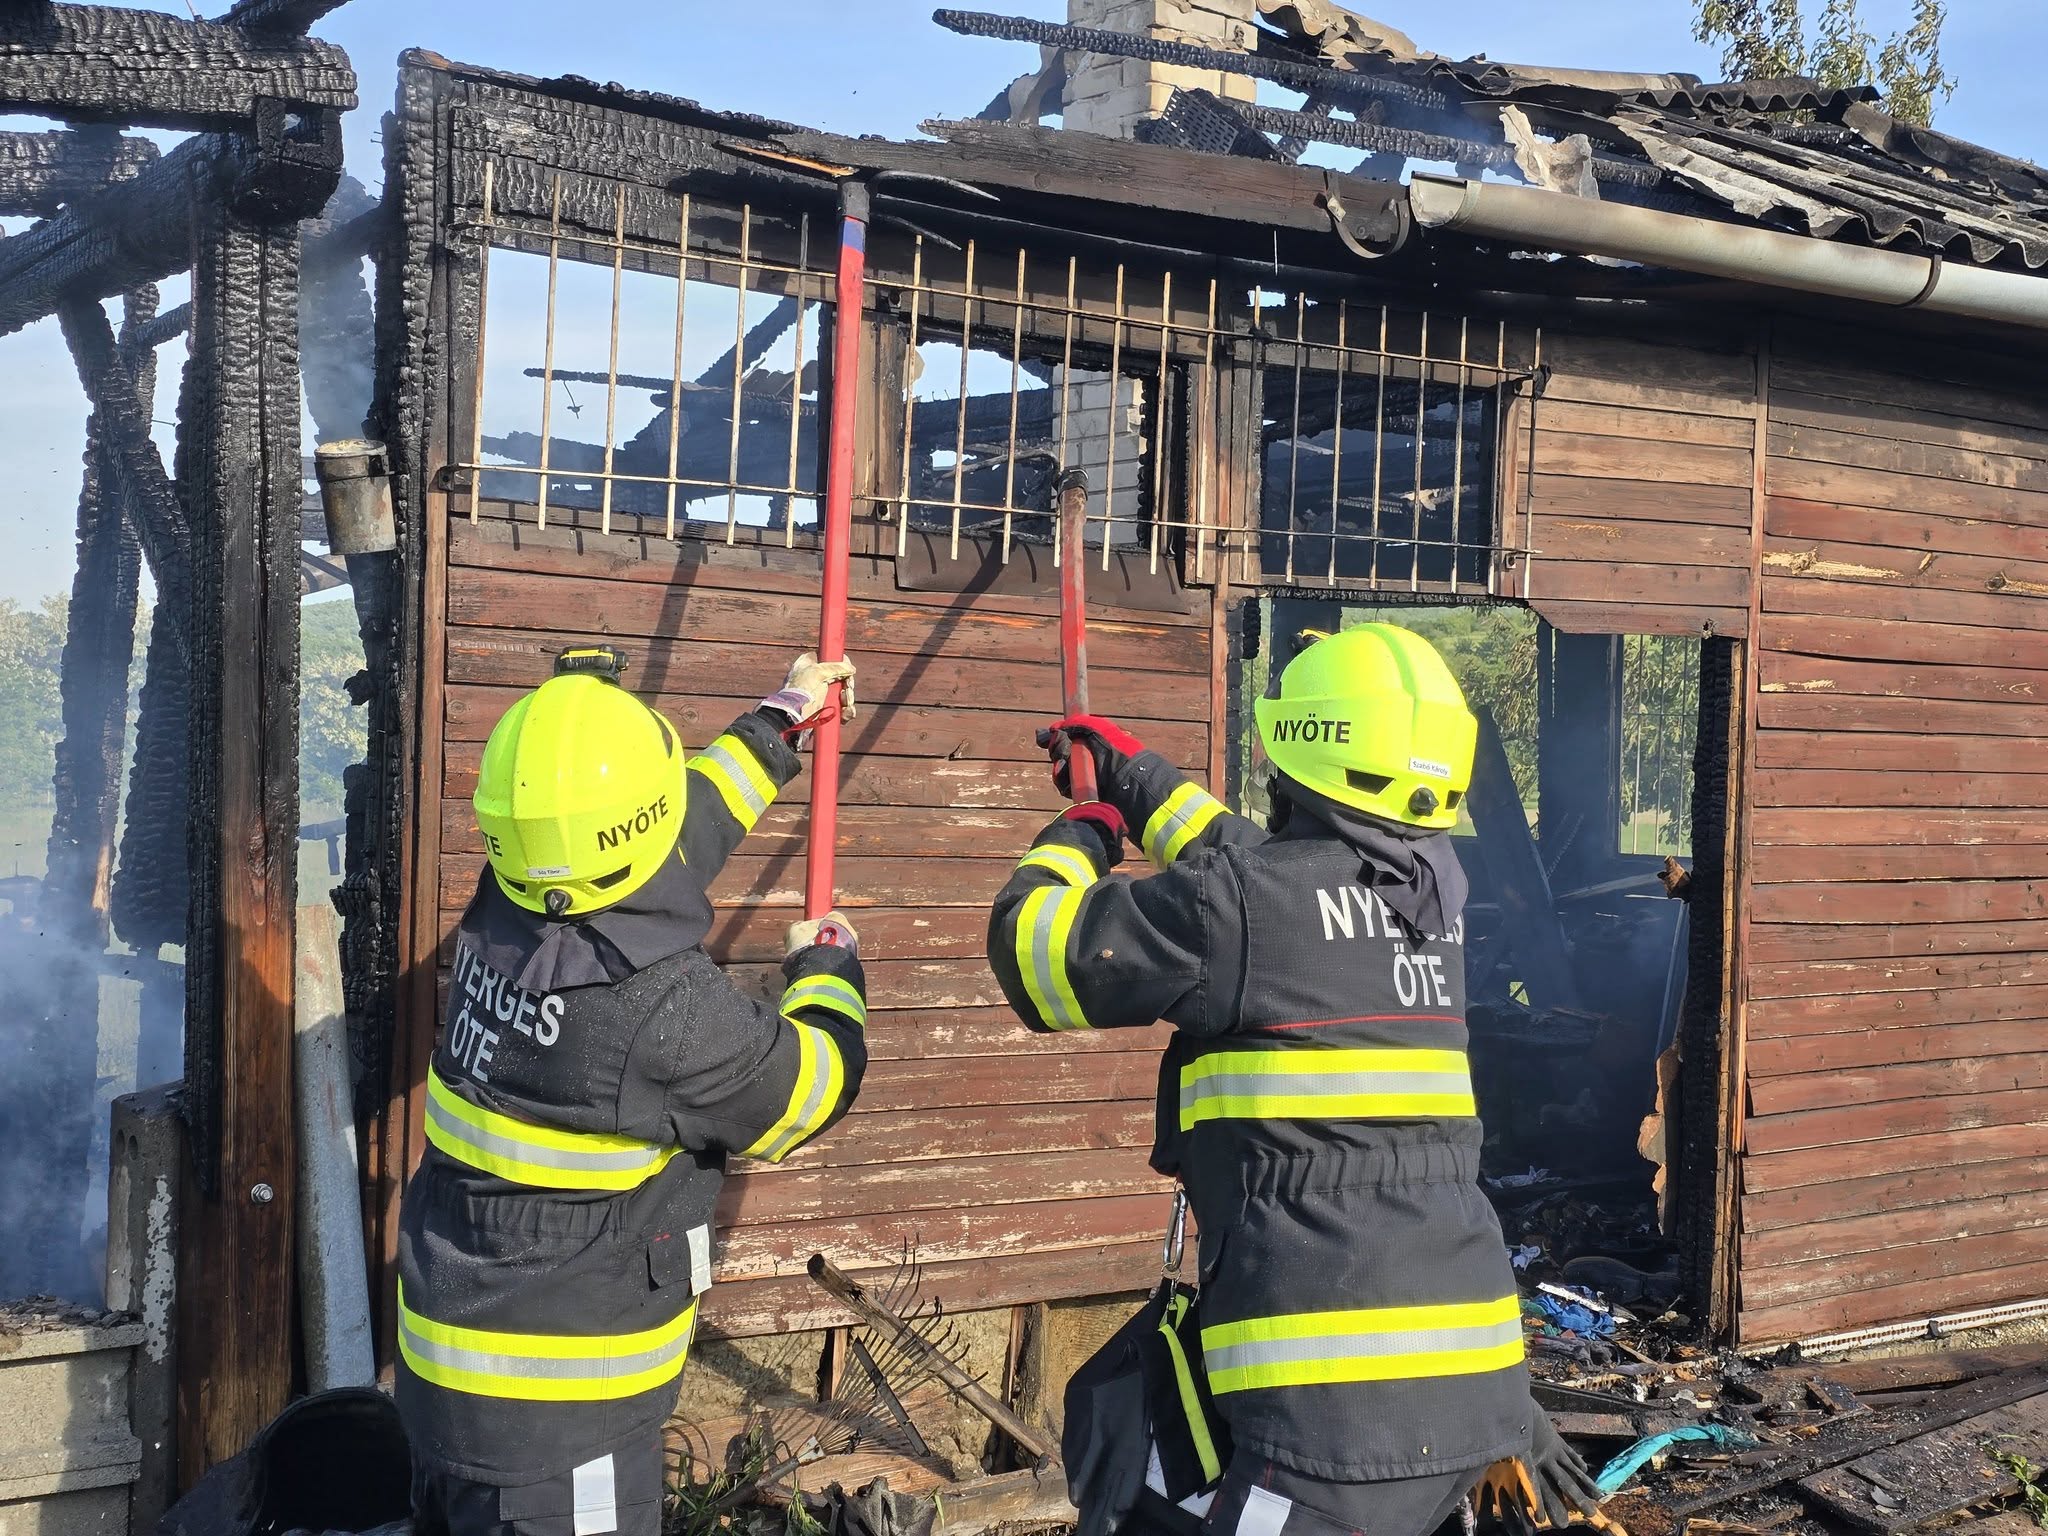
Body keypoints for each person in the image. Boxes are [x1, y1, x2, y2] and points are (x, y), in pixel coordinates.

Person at [987, 624, 1607, 1536]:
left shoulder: (1248, 906)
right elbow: (1253, 867)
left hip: (1333, 1416)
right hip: (1477, 1382)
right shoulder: (1432, 898)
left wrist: (1081, 835)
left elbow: (1034, 952)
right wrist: (1134, 776)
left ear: (1297, 751)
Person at [399, 645, 868, 1536]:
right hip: (560, 1430)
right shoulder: (663, 1011)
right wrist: (827, 969)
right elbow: (810, 1089)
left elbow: (674, 828)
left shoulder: (508, 901)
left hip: (448, 1388)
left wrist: (781, 720)